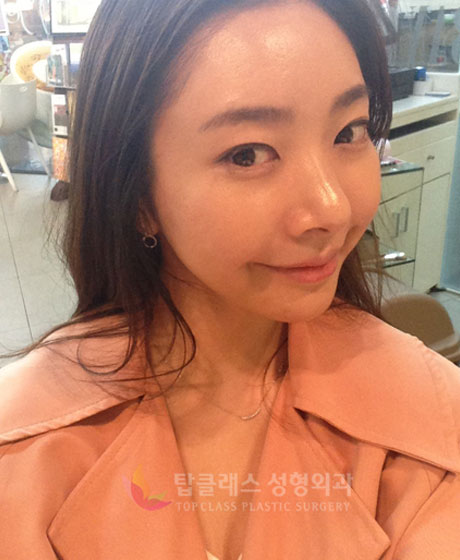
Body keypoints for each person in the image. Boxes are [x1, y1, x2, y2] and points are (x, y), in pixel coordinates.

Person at [1, 0, 459, 558]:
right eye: (248, 154)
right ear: (137, 193)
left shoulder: (430, 426)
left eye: (349, 131)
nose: (333, 208)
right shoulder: (23, 451)